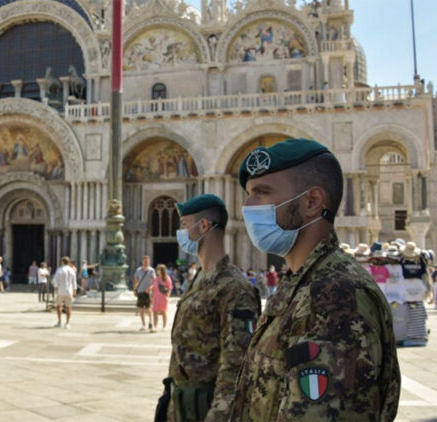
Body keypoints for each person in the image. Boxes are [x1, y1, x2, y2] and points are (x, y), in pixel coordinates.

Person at [230, 138, 400, 420]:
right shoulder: (301, 283)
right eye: (248, 193)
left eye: (261, 192)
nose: (247, 205)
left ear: (311, 202)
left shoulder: (336, 296)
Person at [162, 194, 260, 422]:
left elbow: (236, 367)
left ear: (203, 225)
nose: (180, 232)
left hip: (207, 410)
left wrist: (217, 416)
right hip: (182, 407)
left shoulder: (234, 287)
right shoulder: (199, 278)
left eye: (184, 225)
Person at [133, 256, 156, 332]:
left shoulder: (151, 270)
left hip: (148, 292)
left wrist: (150, 288)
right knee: (141, 309)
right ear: (142, 261)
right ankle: (143, 325)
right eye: (145, 261)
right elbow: (136, 280)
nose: (146, 262)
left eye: (147, 261)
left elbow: (154, 281)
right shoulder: (138, 270)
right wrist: (134, 290)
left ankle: (150, 323)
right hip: (140, 291)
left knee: (149, 308)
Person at [52, 256, 76, 329]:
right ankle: (67, 323)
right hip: (69, 291)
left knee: (59, 306)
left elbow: (55, 280)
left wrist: (55, 287)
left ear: (62, 262)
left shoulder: (59, 270)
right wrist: (74, 290)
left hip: (60, 290)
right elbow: (74, 281)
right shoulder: (71, 270)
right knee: (68, 307)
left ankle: (59, 322)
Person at [151, 264, 172, 331]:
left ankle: (164, 326)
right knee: (155, 312)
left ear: (162, 270)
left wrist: (167, 296)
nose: (157, 271)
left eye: (158, 269)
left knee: (163, 312)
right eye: (157, 269)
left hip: (163, 297)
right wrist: (151, 294)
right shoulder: (155, 279)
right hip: (156, 297)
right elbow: (154, 287)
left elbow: (170, 287)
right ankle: (155, 326)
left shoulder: (167, 278)